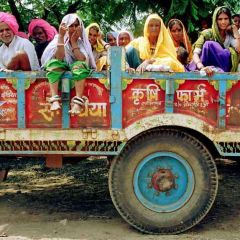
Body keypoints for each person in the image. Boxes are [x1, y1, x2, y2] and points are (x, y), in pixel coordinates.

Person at [41, 13, 96, 114]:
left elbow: (82, 59)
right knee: (53, 64)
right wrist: (61, 37)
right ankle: (54, 100)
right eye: (71, 25)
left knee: (79, 65)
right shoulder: (58, 38)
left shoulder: (81, 42)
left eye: (76, 25)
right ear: (65, 27)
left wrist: (74, 42)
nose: (74, 28)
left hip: (76, 70)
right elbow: (59, 58)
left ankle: (77, 103)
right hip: (62, 67)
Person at [192, 6, 240, 76]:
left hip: (222, 70)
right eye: (220, 19)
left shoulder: (229, 36)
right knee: (209, 44)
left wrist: (235, 30)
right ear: (215, 20)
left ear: (229, 20)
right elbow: (196, 53)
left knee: (228, 52)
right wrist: (202, 67)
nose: (223, 22)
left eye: (226, 19)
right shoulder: (207, 34)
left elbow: (238, 50)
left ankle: (217, 70)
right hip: (205, 69)